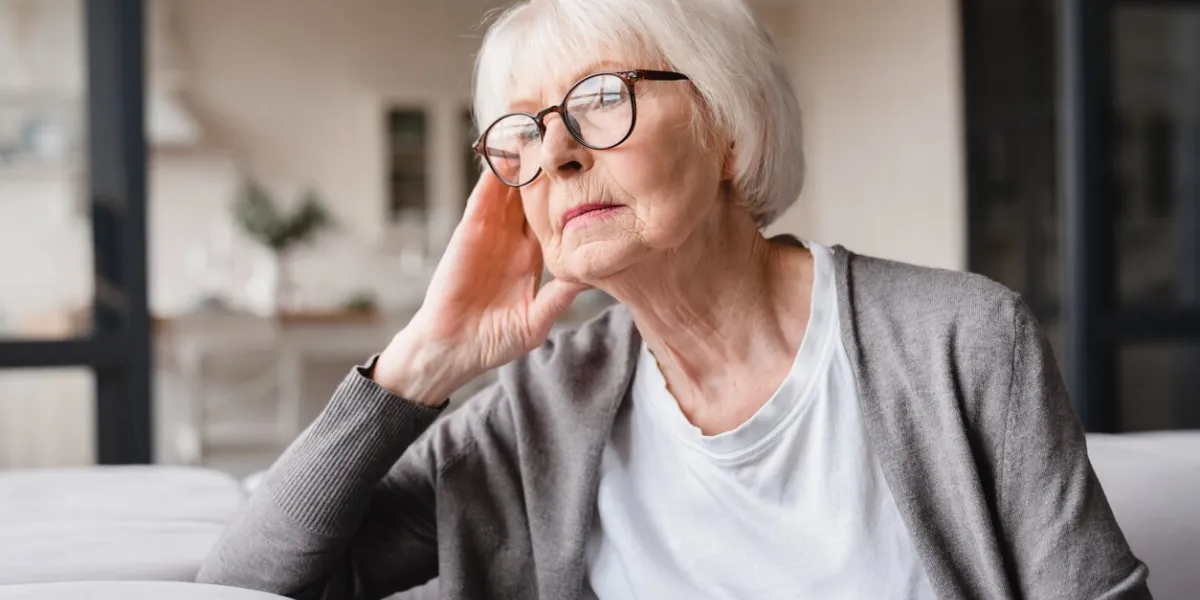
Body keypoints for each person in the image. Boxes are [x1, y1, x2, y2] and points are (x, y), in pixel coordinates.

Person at [198, 0, 1150, 597]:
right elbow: (245, 584)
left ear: (728, 132)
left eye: (602, 97)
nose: (559, 150)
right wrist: (419, 365)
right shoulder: (540, 408)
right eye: (522, 131)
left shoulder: (963, 341)